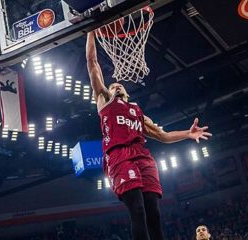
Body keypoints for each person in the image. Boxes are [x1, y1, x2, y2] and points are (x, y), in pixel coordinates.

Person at [86, 31, 212, 240]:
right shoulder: (104, 101)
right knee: (137, 209)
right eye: (112, 85)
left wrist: (187, 134)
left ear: (126, 92)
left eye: (119, 85)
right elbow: (92, 62)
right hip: (119, 155)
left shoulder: (137, 111)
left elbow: (162, 136)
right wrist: (91, 31)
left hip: (142, 156)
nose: (115, 85)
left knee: (153, 212)